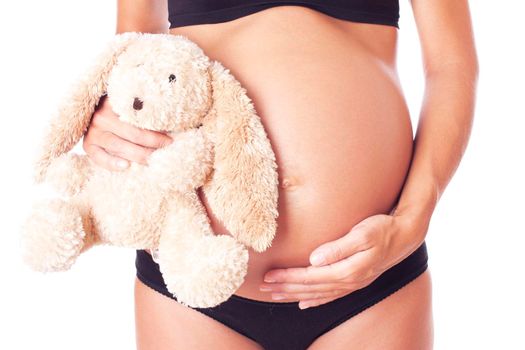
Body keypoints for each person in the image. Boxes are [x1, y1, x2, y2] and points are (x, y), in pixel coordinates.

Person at [82, 1, 478, 349]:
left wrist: (411, 222)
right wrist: (105, 117)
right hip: (190, 278)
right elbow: (134, 47)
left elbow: (451, 66)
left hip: (372, 282)